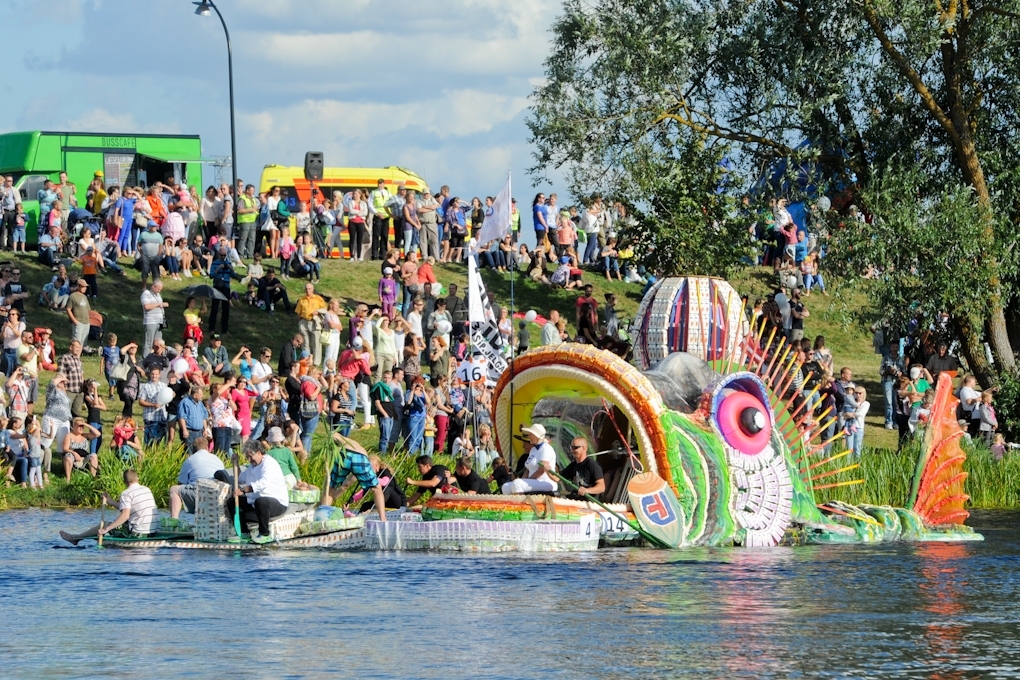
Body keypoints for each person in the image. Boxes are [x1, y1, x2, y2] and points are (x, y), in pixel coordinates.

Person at [60, 469, 159, 544]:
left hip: (138, 533)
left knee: (104, 524)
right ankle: (78, 537)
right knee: (116, 524)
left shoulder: (126, 493)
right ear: (137, 478)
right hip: (152, 531)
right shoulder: (146, 489)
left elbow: (125, 515)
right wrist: (110, 501)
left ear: (124, 481)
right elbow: (127, 508)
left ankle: (75, 538)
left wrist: (106, 529)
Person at [226, 440, 289, 543]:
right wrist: (235, 464)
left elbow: (263, 483)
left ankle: (264, 534)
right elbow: (241, 478)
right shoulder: (252, 466)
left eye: (251, 456)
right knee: (231, 502)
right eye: (247, 457)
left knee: (261, 502)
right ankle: (243, 533)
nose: (249, 460)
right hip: (255, 500)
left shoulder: (269, 464)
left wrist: (244, 490)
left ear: (259, 452)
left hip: (277, 502)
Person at [326, 433, 388, 521]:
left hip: (343, 454)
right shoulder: (358, 449)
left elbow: (345, 485)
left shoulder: (342, 439)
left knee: (331, 488)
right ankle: (383, 519)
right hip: (359, 456)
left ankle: (323, 515)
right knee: (377, 488)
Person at [168, 436, 224, 519]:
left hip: (200, 494)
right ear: (206, 447)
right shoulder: (217, 459)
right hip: (218, 494)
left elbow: (181, 483)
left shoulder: (190, 460)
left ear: (194, 449)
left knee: (174, 490)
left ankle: (174, 520)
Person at [501, 423, 557, 494]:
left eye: (531, 434)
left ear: (537, 436)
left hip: (545, 482)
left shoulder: (546, 448)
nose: (529, 436)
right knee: (505, 487)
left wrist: (527, 481)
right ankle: (511, 504)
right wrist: (524, 480)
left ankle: (521, 504)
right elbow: (527, 470)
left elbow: (541, 470)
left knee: (517, 483)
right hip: (534, 481)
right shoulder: (533, 450)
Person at [296, 283, 327, 366]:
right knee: (305, 343)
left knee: (316, 342)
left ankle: (316, 363)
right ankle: (306, 361)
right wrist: (299, 322)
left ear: (313, 289)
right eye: (306, 289)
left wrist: (318, 311)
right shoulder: (302, 300)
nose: (308, 290)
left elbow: (325, 309)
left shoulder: (318, 298)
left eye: (309, 289)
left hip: (314, 322)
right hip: (304, 322)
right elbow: (298, 313)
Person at [140, 279, 169, 357]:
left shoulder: (158, 295)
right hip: (150, 321)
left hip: (159, 322)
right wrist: (159, 304)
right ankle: (145, 359)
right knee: (148, 342)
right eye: (158, 289)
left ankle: (157, 359)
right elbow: (146, 306)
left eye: (160, 289)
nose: (159, 291)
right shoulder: (146, 294)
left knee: (158, 342)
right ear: (153, 286)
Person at [178, 385, 210, 452]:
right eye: (200, 394)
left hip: (199, 432)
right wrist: (184, 429)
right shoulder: (185, 402)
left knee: (199, 451)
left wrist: (205, 429)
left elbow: (203, 416)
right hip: (190, 432)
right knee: (190, 451)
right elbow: (182, 417)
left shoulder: (200, 403)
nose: (202, 396)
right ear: (195, 395)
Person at [66, 279, 91, 348]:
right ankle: (73, 357)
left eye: (86, 287)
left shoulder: (84, 297)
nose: (85, 288)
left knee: (82, 343)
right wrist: (74, 321)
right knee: (76, 342)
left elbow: (88, 310)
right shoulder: (73, 296)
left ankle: (78, 358)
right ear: (78, 286)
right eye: (83, 286)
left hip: (86, 322)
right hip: (78, 321)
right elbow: (68, 309)